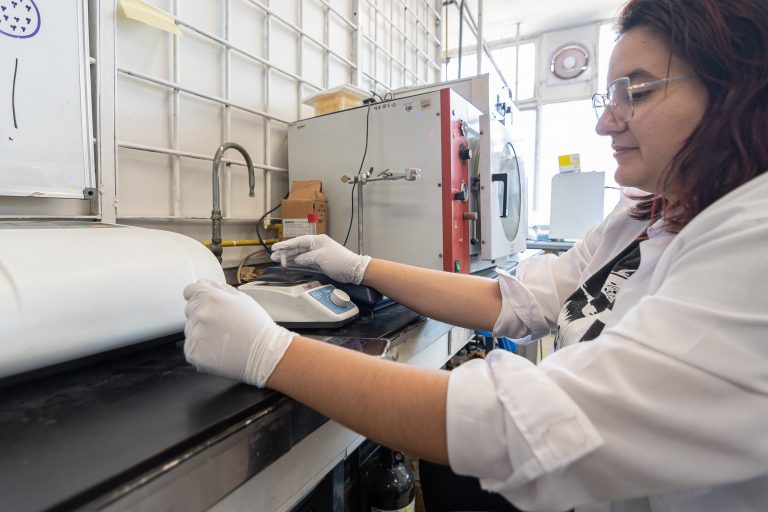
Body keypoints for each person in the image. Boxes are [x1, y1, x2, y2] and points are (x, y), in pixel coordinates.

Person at [182, 0, 768, 509]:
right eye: (608, 95)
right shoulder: (645, 213)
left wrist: (270, 352)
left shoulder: (752, 241)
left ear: (736, 87)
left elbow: (520, 426)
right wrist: (358, 265)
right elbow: (512, 298)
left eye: (635, 92)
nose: (604, 122)